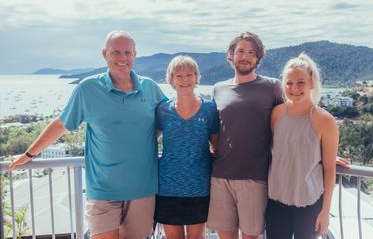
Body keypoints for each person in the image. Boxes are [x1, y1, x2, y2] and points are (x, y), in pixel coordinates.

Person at [8, 30, 165, 239]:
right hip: (103, 189)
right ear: (104, 54)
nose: (122, 58)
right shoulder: (88, 88)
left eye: (127, 53)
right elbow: (61, 124)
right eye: (116, 52)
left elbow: (171, 119)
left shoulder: (150, 88)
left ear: (135, 55)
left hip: (142, 189)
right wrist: (28, 155)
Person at [207, 32, 283, 239]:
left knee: (251, 236)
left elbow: (295, 120)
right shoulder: (218, 89)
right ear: (230, 55)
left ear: (258, 58)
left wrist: (322, 152)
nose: (245, 56)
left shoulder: (272, 87)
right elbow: (212, 127)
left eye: (251, 52)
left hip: (255, 178)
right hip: (220, 176)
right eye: (240, 51)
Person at [265, 53, 338, 238]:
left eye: (301, 82)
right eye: (289, 83)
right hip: (276, 200)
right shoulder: (276, 114)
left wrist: (325, 211)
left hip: (309, 203)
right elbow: (280, 149)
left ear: (312, 84)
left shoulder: (325, 120)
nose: (294, 88)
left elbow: (329, 169)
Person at [154, 55, 219, 239]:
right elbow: (149, 141)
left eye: (189, 74)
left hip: (199, 187)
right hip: (167, 186)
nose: (185, 80)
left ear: (197, 77)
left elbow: (217, 147)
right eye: (179, 75)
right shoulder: (163, 110)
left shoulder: (209, 110)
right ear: (171, 79)